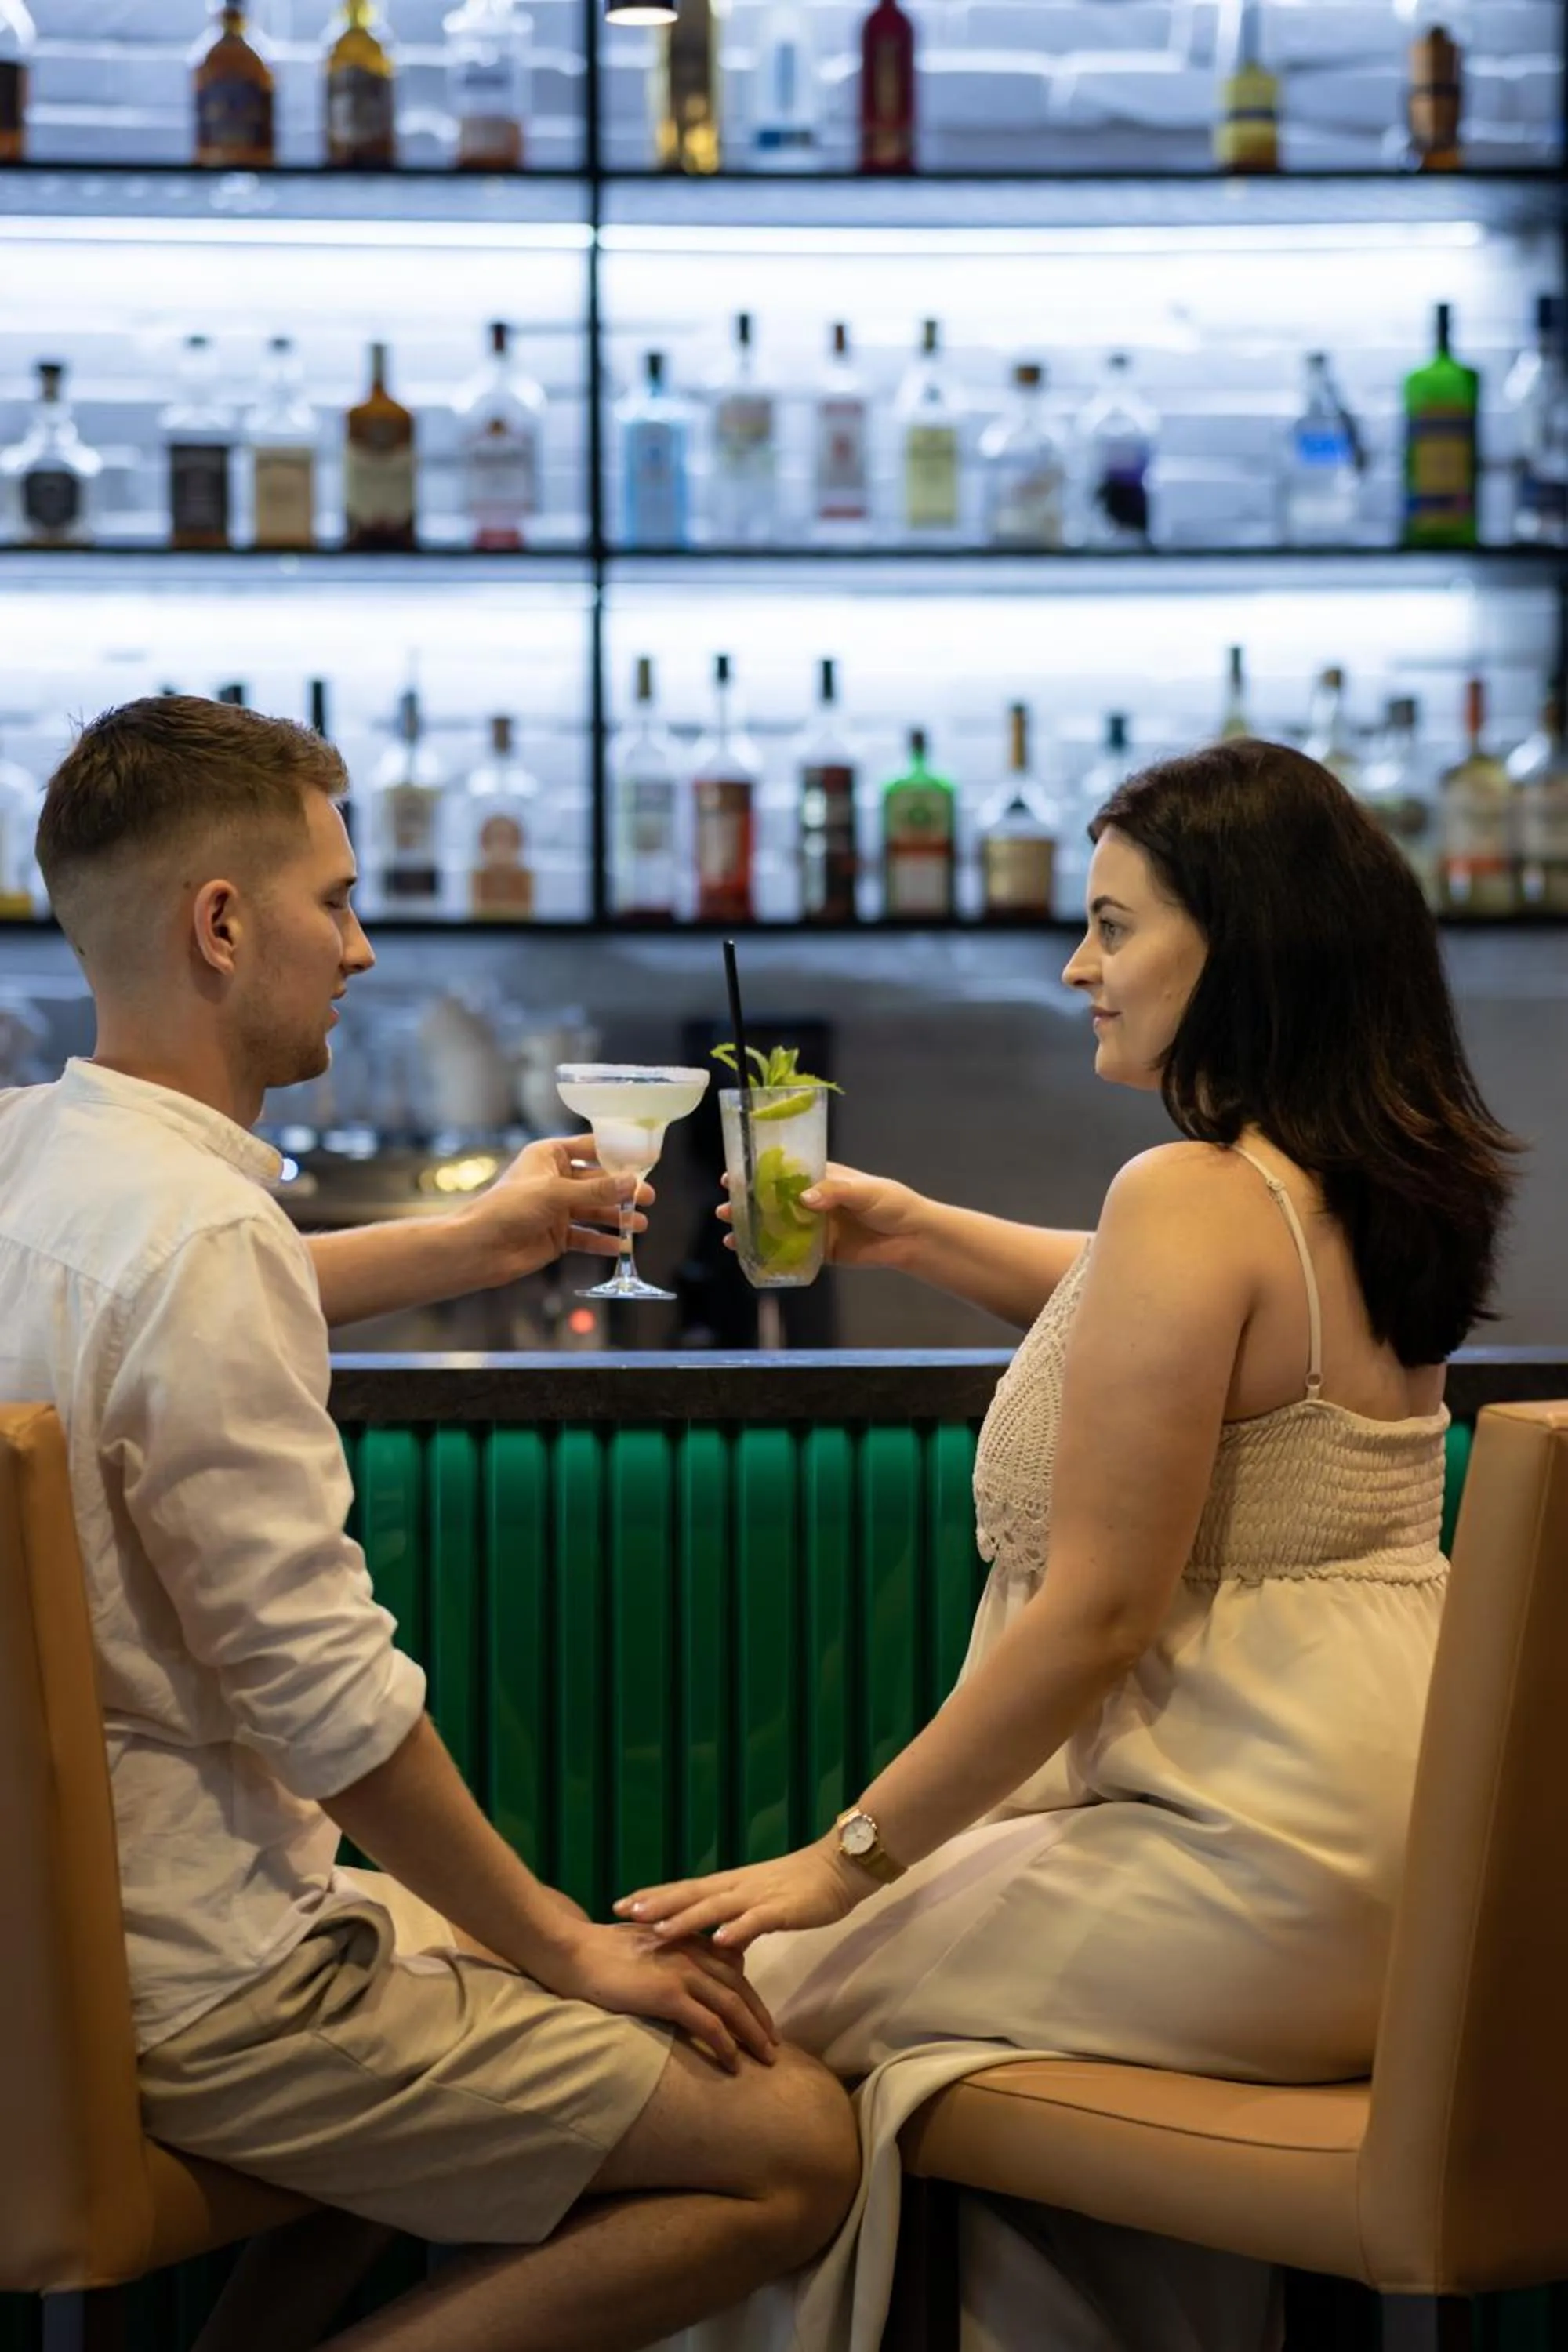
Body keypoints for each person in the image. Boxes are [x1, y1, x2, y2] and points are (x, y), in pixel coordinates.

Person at [616, 737, 1520, 2352]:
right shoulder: (1358, 1184)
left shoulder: (1183, 1192)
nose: (1074, 962)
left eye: (1112, 926)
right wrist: (907, 1228)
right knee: (953, 2094)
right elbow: (1166, 1321)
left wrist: (839, 1864)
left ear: (1232, 945)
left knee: (710, 2035)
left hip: (1241, 1855)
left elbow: (1096, 1615)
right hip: (1422, 1866)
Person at [0, 696, 858, 2352]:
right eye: (335, 899)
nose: (368, 949)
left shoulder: (39, 1159)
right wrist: (550, 1942)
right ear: (222, 925)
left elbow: (161, 1320)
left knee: (463, 2014)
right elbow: (326, 1696)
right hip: (209, 1986)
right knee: (792, 2146)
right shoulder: (195, 1240)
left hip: (59, 1946)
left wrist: (471, 1248)